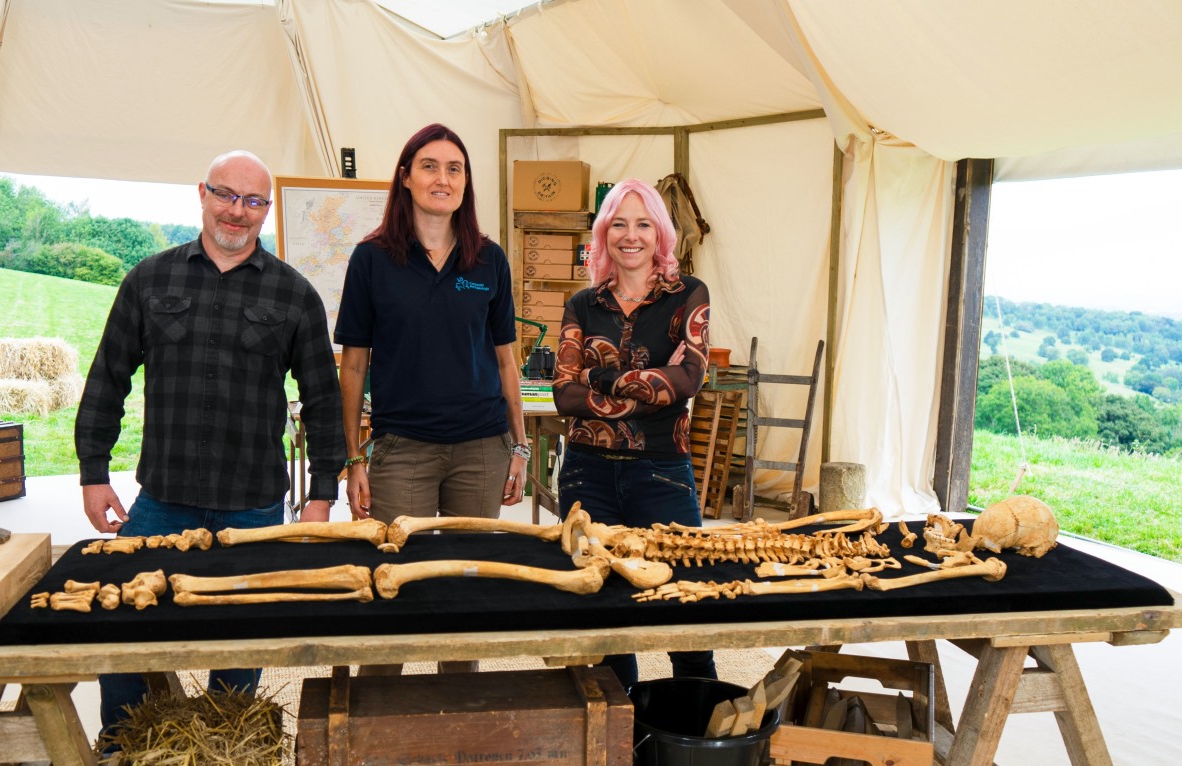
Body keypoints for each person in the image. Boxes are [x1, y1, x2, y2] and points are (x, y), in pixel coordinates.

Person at [74, 149, 343, 739]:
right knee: (123, 624)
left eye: (253, 201)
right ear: (202, 193)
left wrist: (322, 493)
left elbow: (324, 400)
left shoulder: (294, 294)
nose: (237, 212)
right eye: (226, 195)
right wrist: (93, 472)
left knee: (240, 639)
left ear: (266, 211)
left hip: (253, 506)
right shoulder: (149, 280)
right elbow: (107, 379)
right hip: (163, 499)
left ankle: (226, 745)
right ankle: (121, 742)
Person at [333, 124, 529, 674]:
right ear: (405, 177)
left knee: (466, 593)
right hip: (403, 451)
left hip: (482, 449)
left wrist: (519, 447)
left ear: (466, 182)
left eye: (454, 168)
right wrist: (354, 459)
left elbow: (506, 361)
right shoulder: (371, 259)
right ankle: (378, 710)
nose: (443, 178)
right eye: (429, 166)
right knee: (393, 588)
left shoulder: (488, 260)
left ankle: (455, 708)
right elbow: (354, 366)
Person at [552, 178, 718, 689]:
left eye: (643, 224)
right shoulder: (582, 304)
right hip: (586, 475)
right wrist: (649, 387)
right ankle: (618, 724)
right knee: (603, 618)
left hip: (662, 471)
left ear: (660, 233)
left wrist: (598, 377)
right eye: (619, 224)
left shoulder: (688, 295)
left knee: (687, 610)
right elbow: (564, 395)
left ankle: (692, 723)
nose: (631, 235)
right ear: (604, 233)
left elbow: (687, 381)